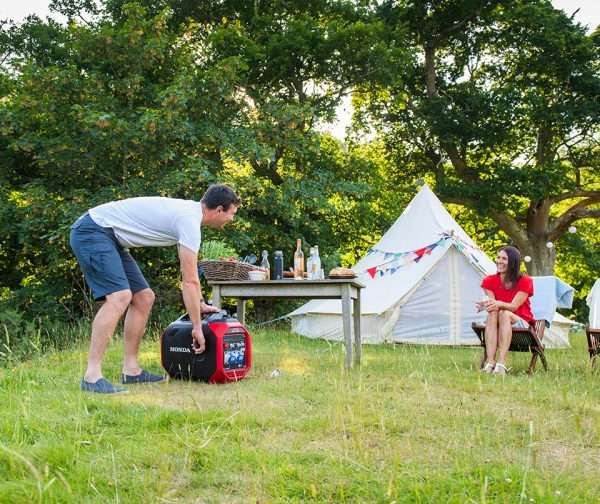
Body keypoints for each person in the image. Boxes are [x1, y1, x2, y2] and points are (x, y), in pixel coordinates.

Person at [70, 184, 241, 393]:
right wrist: (197, 327)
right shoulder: (189, 220)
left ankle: (131, 370)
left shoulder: (189, 216)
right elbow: (189, 281)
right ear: (219, 210)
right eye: (232, 214)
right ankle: (92, 376)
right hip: (93, 231)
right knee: (120, 297)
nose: (231, 219)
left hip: (110, 237)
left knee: (144, 297)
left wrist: (199, 304)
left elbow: (190, 278)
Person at [476, 246, 534, 375]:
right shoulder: (489, 281)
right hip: (498, 324)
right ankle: (490, 362)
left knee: (505, 313)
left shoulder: (525, 281)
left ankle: (501, 363)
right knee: (494, 312)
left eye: (504, 259)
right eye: (498, 257)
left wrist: (497, 303)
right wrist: (486, 304)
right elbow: (493, 306)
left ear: (513, 262)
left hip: (521, 323)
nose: (499, 261)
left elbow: (513, 307)